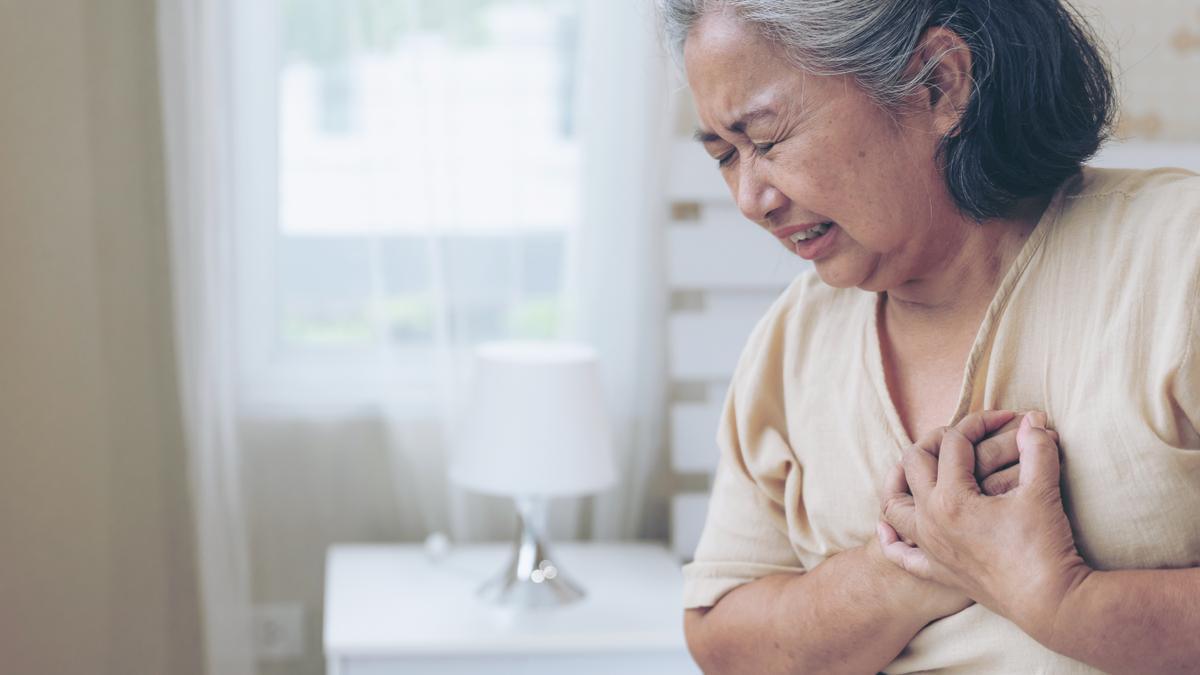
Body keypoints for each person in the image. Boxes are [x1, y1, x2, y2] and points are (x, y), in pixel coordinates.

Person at [657, 0, 1200, 673]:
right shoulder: (792, 340)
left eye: (766, 141)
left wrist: (1066, 603)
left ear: (938, 84)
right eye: (724, 156)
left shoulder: (1181, 261)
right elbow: (722, 638)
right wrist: (917, 558)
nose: (748, 197)